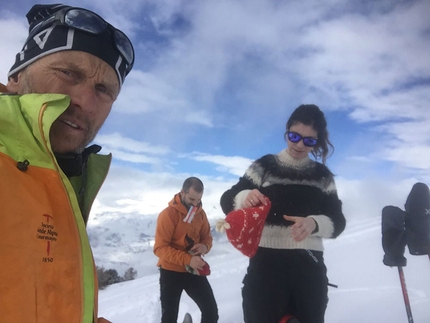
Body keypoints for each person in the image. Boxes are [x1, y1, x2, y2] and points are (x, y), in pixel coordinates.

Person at [0, 4, 134, 323]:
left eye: (103, 90)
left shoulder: (66, 179)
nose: (86, 103)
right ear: (17, 75)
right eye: (69, 73)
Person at [220, 104, 346, 323]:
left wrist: (313, 224)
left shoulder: (322, 176)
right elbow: (227, 200)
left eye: (309, 141)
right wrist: (244, 197)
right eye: (294, 136)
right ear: (287, 130)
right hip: (266, 264)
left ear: (317, 142)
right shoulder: (264, 166)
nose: (299, 144)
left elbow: (338, 221)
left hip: (308, 266)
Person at [154, 177, 219, 323]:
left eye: (199, 199)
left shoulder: (200, 214)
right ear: (182, 193)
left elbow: (207, 238)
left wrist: (205, 246)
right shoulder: (168, 215)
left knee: (211, 311)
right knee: (169, 317)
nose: (195, 204)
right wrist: (188, 259)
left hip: (193, 270)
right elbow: (160, 248)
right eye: (192, 199)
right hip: (170, 271)